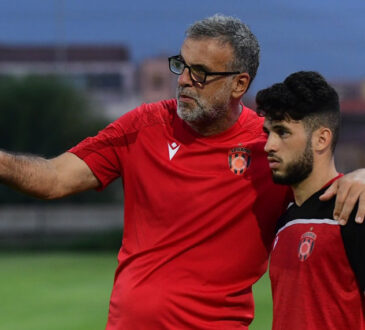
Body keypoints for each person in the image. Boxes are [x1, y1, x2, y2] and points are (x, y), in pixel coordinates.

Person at [0, 15, 365, 329]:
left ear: (240, 83)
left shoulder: (267, 147)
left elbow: (323, 181)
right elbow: (53, 178)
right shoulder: (144, 126)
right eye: (183, 65)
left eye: (202, 73)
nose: (185, 80)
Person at [257, 71, 365, 329]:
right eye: (268, 133)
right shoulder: (285, 220)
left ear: (321, 139)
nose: (268, 145)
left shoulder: (352, 210)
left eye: (282, 133)